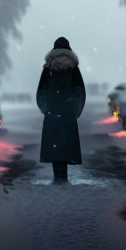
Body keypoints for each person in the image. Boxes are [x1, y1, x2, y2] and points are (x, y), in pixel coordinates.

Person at [36, 37, 86, 182]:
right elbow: (80, 91)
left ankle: (57, 175)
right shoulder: (73, 69)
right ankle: (63, 176)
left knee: (54, 145)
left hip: (52, 112)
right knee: (65, 144)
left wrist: (45, 108)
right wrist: (76, 110)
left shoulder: (48, 68)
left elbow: (40, 91)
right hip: (68, 112)